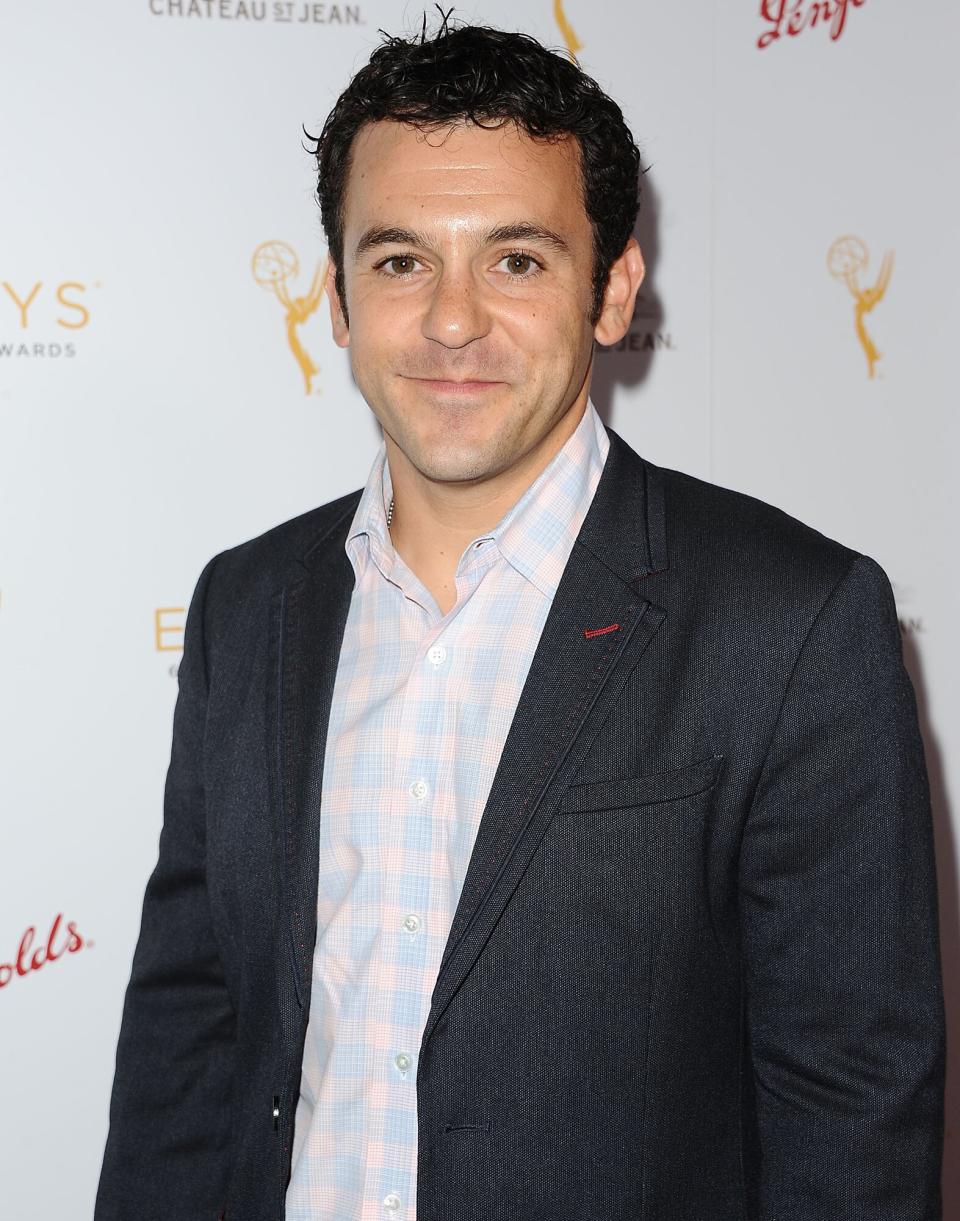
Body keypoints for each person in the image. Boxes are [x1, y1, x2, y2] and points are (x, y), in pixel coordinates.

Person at [95, 19, 945, 1221]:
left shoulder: (793, 622)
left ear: (614, 292)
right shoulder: (250, 605)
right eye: (399, 261)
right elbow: (187, 1042)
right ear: (334, 297)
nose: (451, 320)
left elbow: (854, 1116)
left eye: (516, 260)